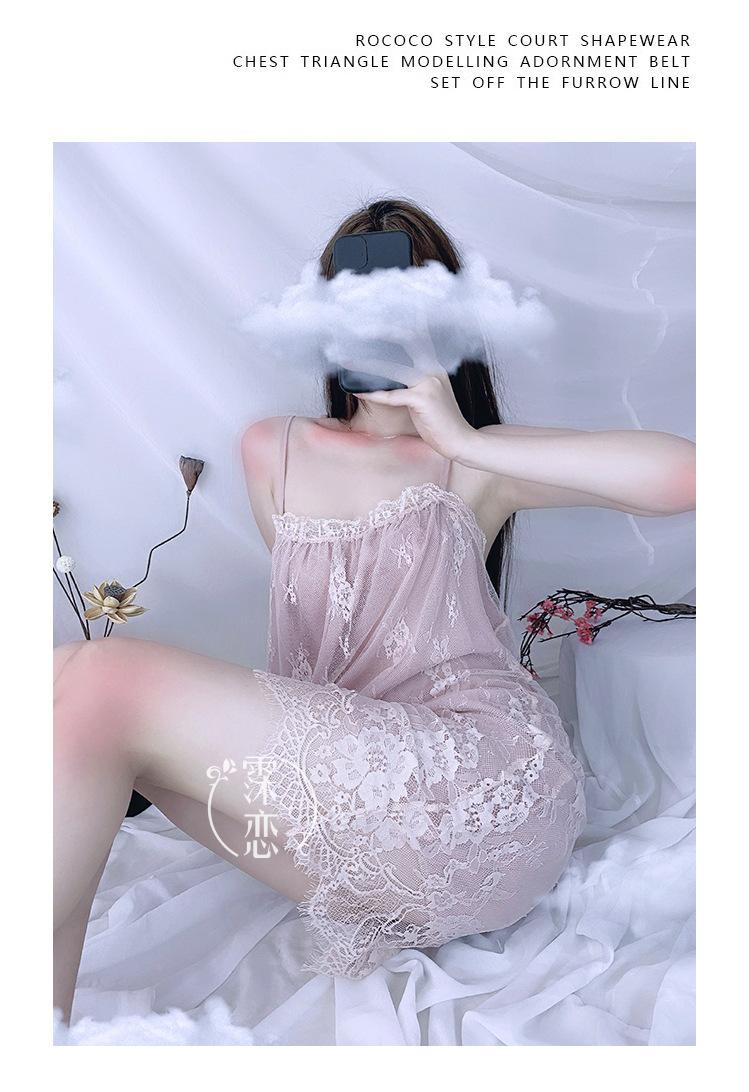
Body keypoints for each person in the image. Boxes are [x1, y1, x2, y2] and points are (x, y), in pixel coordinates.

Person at [53, 198, 696, 1022]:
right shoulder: (274, 447)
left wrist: (462, 438)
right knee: (71, 697)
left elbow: (687, 479)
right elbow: (317, 660)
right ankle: (40, 1033)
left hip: (483, 784)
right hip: (355, 818)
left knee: (99, 678)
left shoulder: (476, 462)